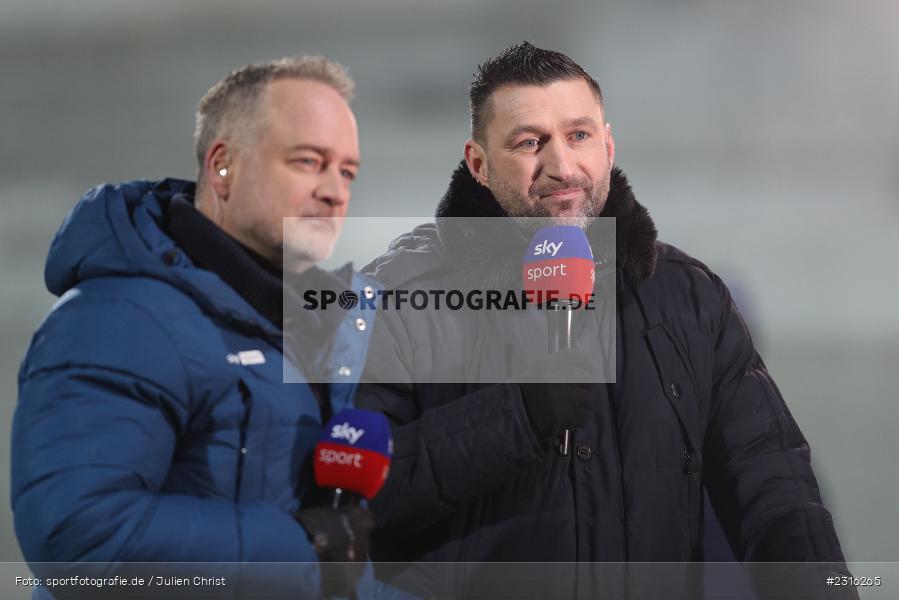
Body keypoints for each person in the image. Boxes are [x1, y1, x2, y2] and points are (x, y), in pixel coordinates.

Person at [357, 42, 856, 599]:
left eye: (579, 135)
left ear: (608, 144)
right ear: (479, 163)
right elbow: (354, 492)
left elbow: (772, 482)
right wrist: (517, 415)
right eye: (529, 142)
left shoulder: (688, 295)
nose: (561, 166)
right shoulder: (397, 296)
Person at [12, 56, 394, 599]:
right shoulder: (121, 317)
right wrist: (300, 547)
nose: (336, 191)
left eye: (347, 171)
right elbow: (83, 541)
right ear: (222, 167)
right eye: (309, 162)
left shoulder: (296, 327)